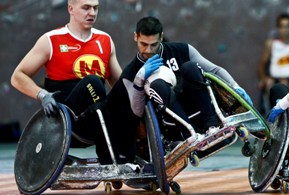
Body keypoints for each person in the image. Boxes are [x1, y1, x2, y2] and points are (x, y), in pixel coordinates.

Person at [106, 16, 253, 161]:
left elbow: (214, 70)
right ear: (135, 37)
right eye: (143, 44)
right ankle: (189, 135)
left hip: (199, 109)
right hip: (173, 123)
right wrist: (139, 80)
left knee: (190, 67)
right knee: (157, 85)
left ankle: (212, 125)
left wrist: (235, 86)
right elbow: (137, 112)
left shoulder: (183, 50)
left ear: (161, 37)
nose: (148, 50)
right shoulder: (130, 73)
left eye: (154, 45)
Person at [10, 0, 122, 164]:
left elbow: (121, 87)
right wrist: (42, 95)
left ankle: (134, 155)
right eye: (86, 8)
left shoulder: (105, 41)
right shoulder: (50, 40)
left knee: (126, 97)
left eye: (95, 8)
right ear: (70, 8)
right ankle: (109, 160)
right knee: (93, 81)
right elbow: (18, 76)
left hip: (96, 117)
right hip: (66, 121)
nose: (92, 13)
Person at [258, 13, 289, 115]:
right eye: (282, 27)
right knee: (271, 83)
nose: (285, 30)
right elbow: (262, 64)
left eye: (288, 26)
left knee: (286, 83)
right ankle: (272, 117)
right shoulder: (271, 43)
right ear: (278, 28)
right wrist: (263, 80)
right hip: (276, 79)